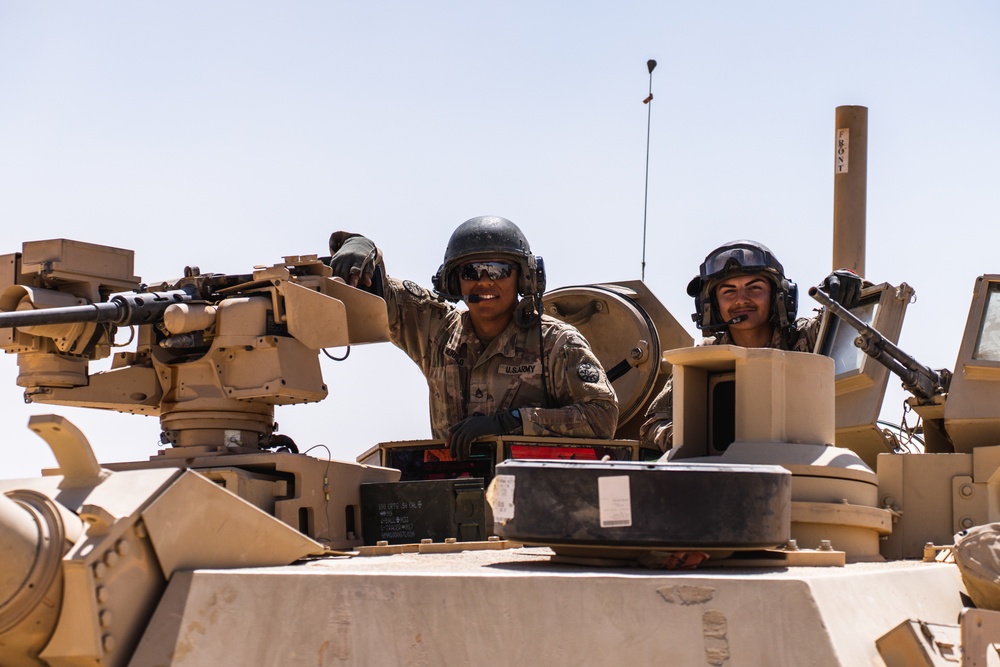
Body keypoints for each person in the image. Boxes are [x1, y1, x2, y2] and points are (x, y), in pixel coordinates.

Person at [328, 216, 619, 459]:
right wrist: (363, 248)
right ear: (454, 281)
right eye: (470, 271)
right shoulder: (439, 333)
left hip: (536, 500)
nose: (484, 281)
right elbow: (384, 296)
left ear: (524, 278)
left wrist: (512, 423)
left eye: (498, 270)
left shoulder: (556, 342)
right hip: (451, 493)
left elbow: (601, 416)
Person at [638, 239, 862, 452]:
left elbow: (855, 322)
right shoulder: (705, 357)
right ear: (712, 305)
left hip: (802, 464)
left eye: (754, 288)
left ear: (778, 296)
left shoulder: (805, 337)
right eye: (728, 291)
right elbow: (654, 423)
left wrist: (846, 287)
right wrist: (695, 441)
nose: (741, 300)